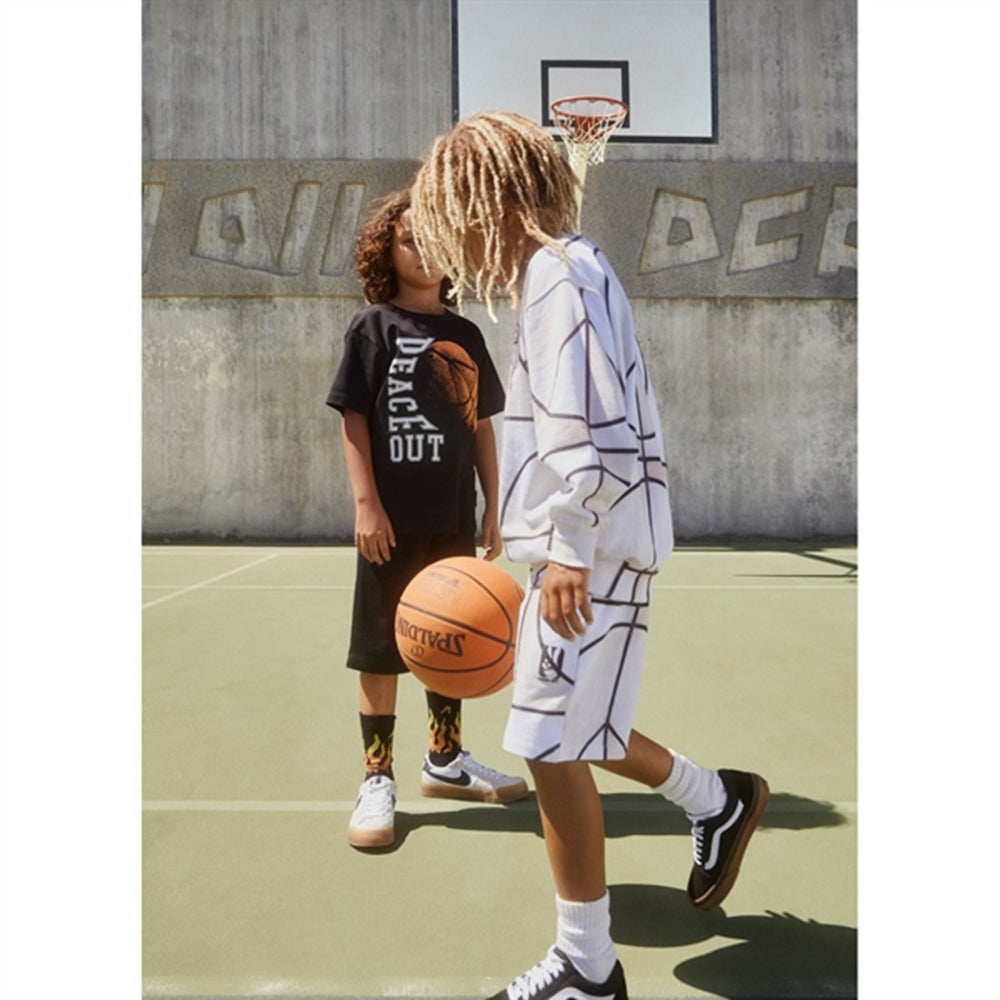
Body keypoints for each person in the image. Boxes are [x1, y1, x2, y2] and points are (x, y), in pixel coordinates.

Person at [411, 113, 769, 999]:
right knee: (575, 727)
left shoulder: (554, 276)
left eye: (458, 216)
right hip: (603, 542)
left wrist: (567, 543)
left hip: (593, 550)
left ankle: (586, 966)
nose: (456, 241)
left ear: (491, 203)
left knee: (546, 741)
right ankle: (716, 799)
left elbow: (589, 421)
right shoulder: (573, 266)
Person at [326, 187, 529, 850]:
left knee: (451, 637)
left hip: (451, 518)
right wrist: (366, 504)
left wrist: (495, 503)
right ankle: (376, 777)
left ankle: (445, 760)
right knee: (380, 649)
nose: (424, 250)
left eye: (436, 237)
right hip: (391, 522)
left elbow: (482, 426)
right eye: (410, 239)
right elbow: (354, 417)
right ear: (386, 250)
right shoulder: (373, 327)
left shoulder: (464, 334)